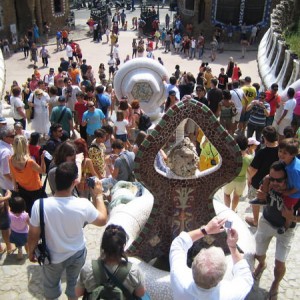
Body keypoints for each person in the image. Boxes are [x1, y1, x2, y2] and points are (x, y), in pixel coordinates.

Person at [28, 162, 108, 300]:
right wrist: (99, 195)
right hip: (77, 253)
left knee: (51, 286)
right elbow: (102, 220)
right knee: (74, 284)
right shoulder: (83, 204)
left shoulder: (39, 205)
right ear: (75, 181)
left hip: (52, 255)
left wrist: (31, 251)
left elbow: (33, 235)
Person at [169, 216, 253, 300]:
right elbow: (245, 274)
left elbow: (179, 243)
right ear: (222, 276)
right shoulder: (231, 294)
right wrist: (232, 246)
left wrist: (206, 229)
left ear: (193, 267)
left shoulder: (179, 280)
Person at [252, 161, 298, 299]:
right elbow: (263, 195)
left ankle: (275, 283)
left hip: (286, 230)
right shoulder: (269, 182)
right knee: (259, 254)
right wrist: (262, 196)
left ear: (287, 178)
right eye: (272, 179)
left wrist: (292, 218)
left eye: (279, 180)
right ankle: (262, 264)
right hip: (266, 221)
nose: (274, 183)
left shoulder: (296, 192)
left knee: (279, 264)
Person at [75, 224, 146, 298]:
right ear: (123, 246)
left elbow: (78, 293)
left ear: (103, 245)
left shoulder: (88, 268)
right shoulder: (134, 271)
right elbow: (141, 293)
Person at [246, 126, 279, 227]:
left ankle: (255, 221)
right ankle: (266, 220)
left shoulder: (261, 152)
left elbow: (252, 170)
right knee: (270, 202)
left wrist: (249, 178)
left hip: (258, 183)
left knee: (255, 202)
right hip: (274, 183)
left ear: (264, 138)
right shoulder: (281, 150)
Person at [9, 135, 46, 216]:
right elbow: (43, 171)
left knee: (28, 211)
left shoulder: (11, 159)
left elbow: (13, 175)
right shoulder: (29, 162)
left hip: (22, 189)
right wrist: (42, 159)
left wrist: (15, 187)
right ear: (25, 145)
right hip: (36, 190)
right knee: (39, 212)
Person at [224, 135, 253, 211]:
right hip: (241, 181)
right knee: (236, 196)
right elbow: (250, 172)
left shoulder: (230, 156)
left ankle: (227, 210)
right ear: (246, 146)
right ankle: (233, 210)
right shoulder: (249, 158)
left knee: (227, 194)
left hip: (230, 179)